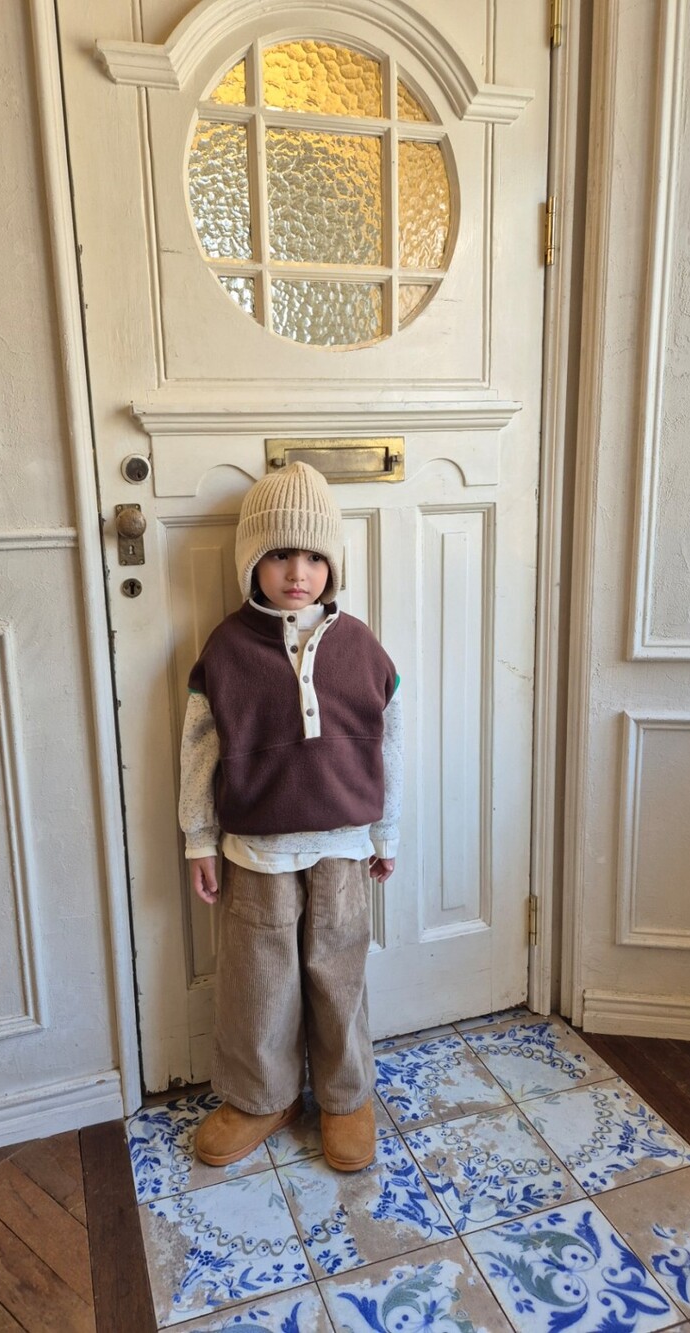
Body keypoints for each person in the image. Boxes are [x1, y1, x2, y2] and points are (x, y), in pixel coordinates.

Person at [178, 461, 402, 1172]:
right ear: (252, 561)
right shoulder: (225, 650)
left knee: (339, 970)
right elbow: (199, 750)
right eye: (279, 555)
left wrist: (387, 830)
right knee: (258, 975)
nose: (297, 572)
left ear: (332, 564)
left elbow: (391, 741)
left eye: (313, 556)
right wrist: (198, 837)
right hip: (256, 848)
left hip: (343, 843)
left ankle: (345, 1095)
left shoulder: (361, 646)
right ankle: (262, 1096)